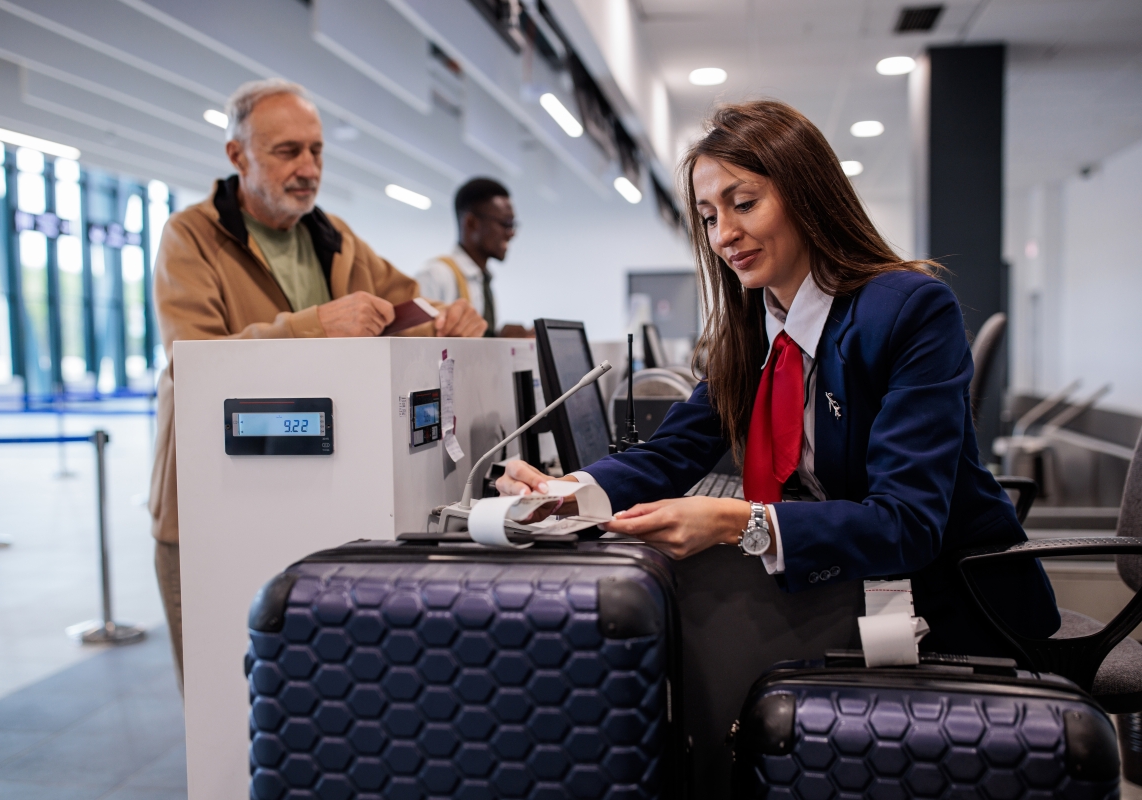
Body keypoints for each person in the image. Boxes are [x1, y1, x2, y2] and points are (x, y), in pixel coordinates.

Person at [497, 100, 1059, 657]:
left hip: (955, 613)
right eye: (710, 217)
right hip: (849, 595)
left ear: (808, 197)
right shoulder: (754, 329)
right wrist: (567, 494)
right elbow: (672, 454)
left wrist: (739, 522)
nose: (723, 236)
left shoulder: (908, 311)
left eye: (744, 204)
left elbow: (906, 523)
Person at [150, 79, 486, 688]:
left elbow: (407, 309)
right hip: (210, 505)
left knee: (314, 694)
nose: (308, 168)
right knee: (223, 701)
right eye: (288, 152)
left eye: (317, 151)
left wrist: (451, 319)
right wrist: (314, 325)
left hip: (316, 492)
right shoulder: (190, 237)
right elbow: (191, 359)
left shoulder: (333, 235)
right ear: (237, 156)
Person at [416, 178, 516, 336]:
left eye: (513, 225)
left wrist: (503, 341)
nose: (511, 233)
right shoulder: (436, 275)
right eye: (505, 223)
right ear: (471, 222)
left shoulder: (483, 280)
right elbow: (415, 346)